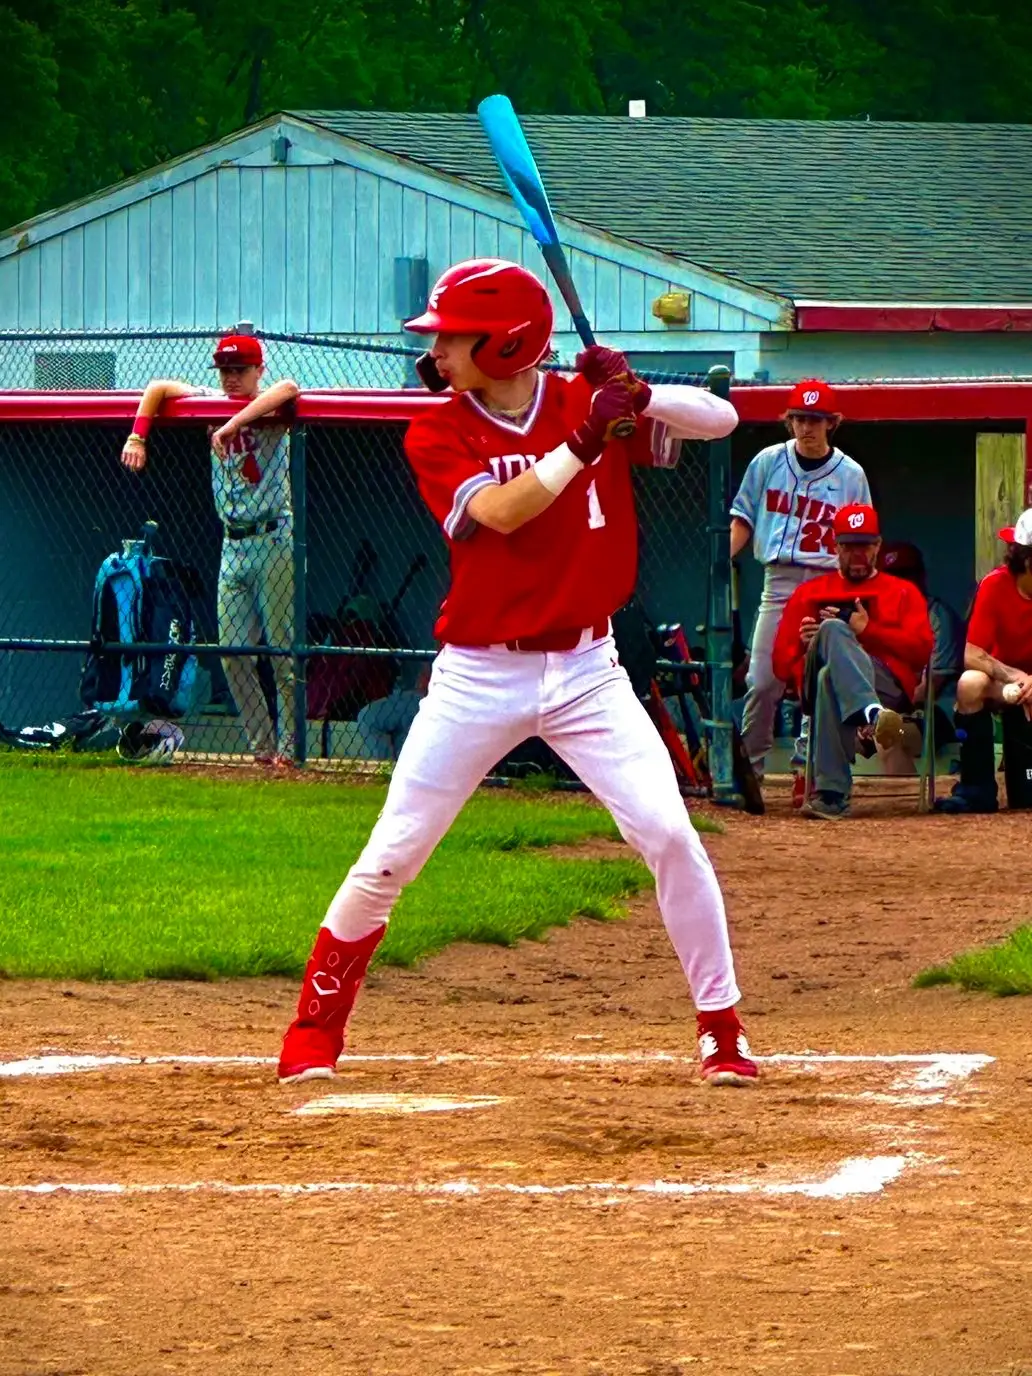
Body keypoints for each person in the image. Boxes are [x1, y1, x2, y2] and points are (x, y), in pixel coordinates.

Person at [278, 256, 757, 1089]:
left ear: (506, 343)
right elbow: (500, 513)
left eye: (452, 338)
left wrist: (637, 394)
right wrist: (585, 439)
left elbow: (722, 418)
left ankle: (722, 1029)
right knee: (392, 853)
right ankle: (315, 1026)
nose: (436, 352)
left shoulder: (585, 401)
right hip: (477, 676)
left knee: (670, 834)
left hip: (589, 670)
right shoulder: (438, 430)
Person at [121, 335, 300, 765]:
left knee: (282, 653)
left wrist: (234, 423)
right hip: (232, 541)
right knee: (232, 652)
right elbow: (158, 388)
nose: (231, 378)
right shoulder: (210, 401)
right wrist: (138, 436)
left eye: (240, 370)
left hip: (272, 536)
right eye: (225, 370)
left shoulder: (268, 403)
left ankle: (292, 751)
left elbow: (289, 388)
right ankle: (263, 750)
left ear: (258, 370)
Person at [730, 380, 871, 792]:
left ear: (832, 423)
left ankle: (805, 770)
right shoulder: (767, 462)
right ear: (789, 421)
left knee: (816, 683)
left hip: (827, 583)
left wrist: (854, 593)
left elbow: (860, 540)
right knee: (762, 680)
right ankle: (751, 769)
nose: (806, 427)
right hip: (778, 582)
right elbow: (743, 519)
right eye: (799, 419)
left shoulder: (850, 475)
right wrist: (720, 557)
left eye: (815, 419)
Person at [771, 503, 934, 819]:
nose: (857, 555)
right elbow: (780, 665)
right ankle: (870, 714)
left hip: (884, 684)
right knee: (831, 632)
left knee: (829, 679)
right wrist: (806, 647)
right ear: (835, 547)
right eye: (848, 547)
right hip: (820, 684)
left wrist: (869, 631)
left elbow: (921, 653)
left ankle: (831, 795)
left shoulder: (903, 592)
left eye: (865, 546)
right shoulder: (809, 592)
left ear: (878, 546)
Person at [935, 509, 1032, 814]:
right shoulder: (995, 585)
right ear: (1028, 561)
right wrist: (1016, 676)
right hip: (1004, 683)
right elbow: (971, 654)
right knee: (970, 683)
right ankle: (976, 790)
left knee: (1026, 797)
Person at [351, 662, 432, 761]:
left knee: (367, 717)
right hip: (411, 693)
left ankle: (388, 765)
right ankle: (390, 765)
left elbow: (424, 671)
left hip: (420, 694)